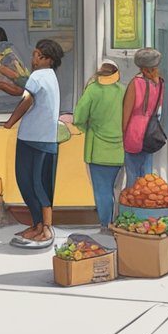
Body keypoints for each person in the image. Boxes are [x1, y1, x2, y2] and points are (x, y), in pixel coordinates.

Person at [4, 40, 64, 245]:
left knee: (31, 182)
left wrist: (10, 122)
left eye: (37, 55)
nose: (33, 59)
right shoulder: (50, 77)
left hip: (32, 136)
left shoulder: (38, 75)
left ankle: (45, 228)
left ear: (48, 59)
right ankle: (39, 225)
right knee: (39, 181)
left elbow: (26, 99)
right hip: (45, 137)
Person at [73, 59, 125, 228]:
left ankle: (105, 225)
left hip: (98, 151)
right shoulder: (123, 90)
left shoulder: (93, 90)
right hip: (121, 150)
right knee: (118, 190)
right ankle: (120, 225)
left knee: (102, 191)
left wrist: (86, 127)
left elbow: (78, 117)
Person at [121, 48, 164, 187]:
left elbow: (127, 110)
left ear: (142, 67)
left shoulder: (135, 83)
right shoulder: (160, 83)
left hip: (134, 130)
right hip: (151, 131)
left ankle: (131, 206)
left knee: (132, 174)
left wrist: (122, 131)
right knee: (146, 175)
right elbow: (158, 106)